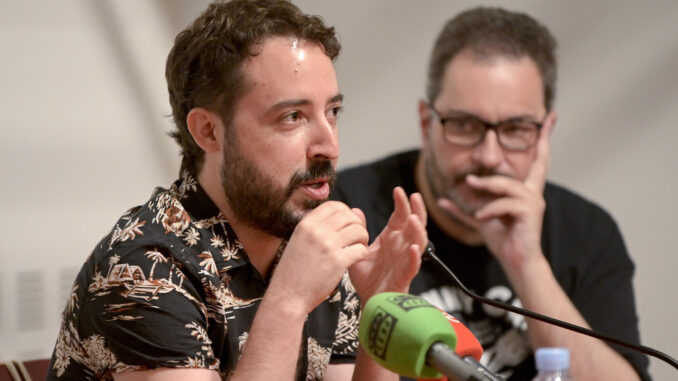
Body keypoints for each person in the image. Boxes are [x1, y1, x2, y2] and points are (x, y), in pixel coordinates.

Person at [46, 1, 428, 380]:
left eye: (332, 112)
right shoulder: (143, 269)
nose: (329, 146)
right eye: (292, 116)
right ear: (209, 132)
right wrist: (290, 299)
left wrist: (380, 308)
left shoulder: (303, 241)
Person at [332, 6, 650, 381]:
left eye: (515, 129)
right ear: (425, 122)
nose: (488, 156)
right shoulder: (348, 210)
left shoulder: (587, 232)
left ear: (545, 132)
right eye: (464, 125)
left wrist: (526, 263)